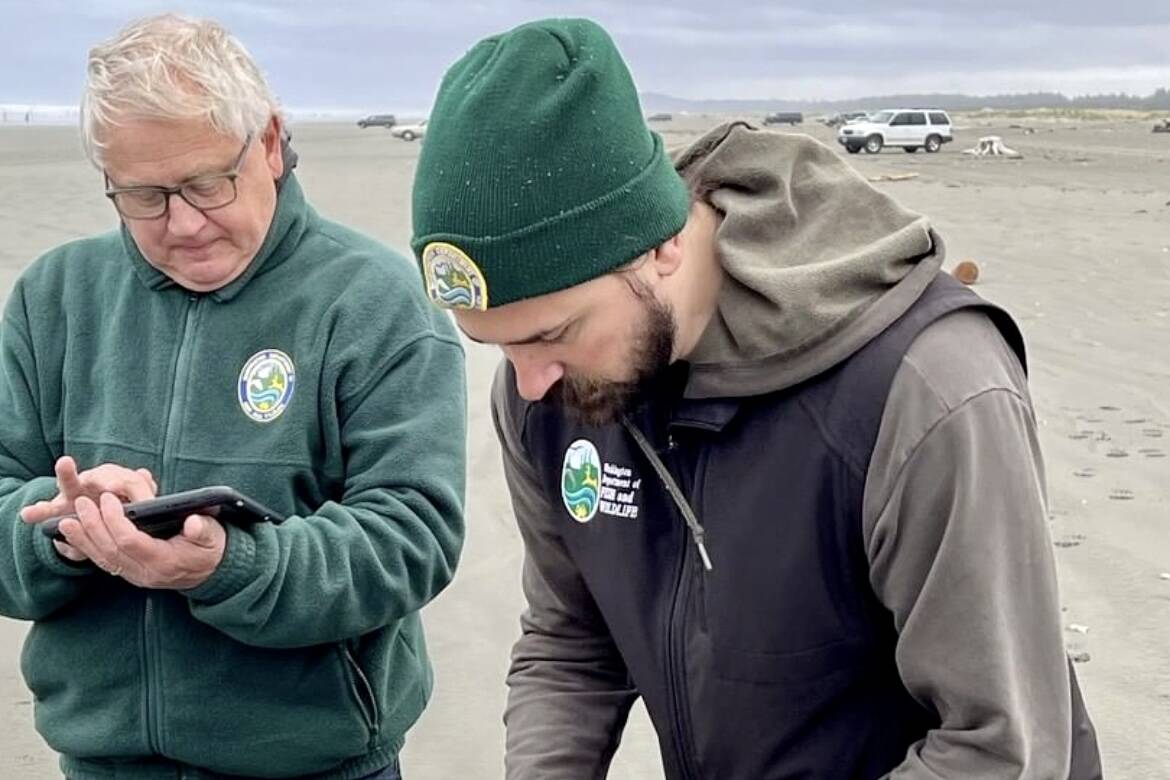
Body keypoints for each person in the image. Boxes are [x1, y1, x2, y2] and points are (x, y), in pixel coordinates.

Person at [410, 17, 1101, 780]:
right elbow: (571, 639)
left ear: (660, 245)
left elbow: (1003, 748)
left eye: (552, 333)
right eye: (496, 345)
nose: (529, 381)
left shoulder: (928, 389)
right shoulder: (544, 391)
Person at [0, 14, 466, 780]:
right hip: (98, 762)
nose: (182, 224)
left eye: (206, 184)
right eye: (143, 196)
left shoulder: (377, 302)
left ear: (273, 144)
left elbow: (412, 539)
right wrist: (60, 532)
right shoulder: (54, 298)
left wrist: (229, 567)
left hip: (318, 763)